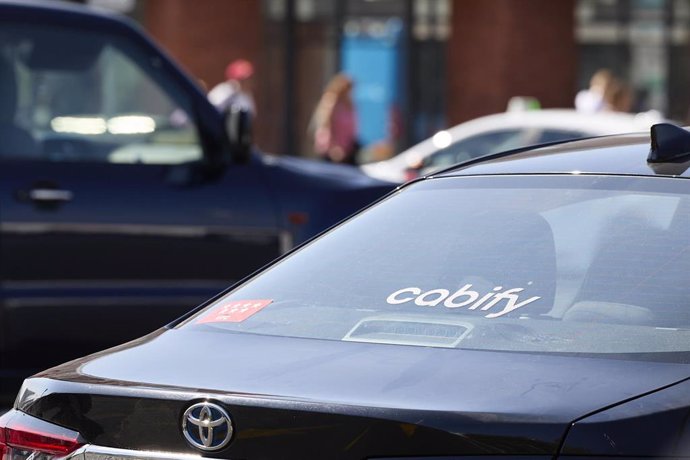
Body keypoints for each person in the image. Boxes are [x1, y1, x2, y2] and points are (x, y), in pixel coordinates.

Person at [311, 73, 359, 164]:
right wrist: (334, 146)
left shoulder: (349, 104)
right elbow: (326, 125)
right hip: (332, 150)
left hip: (347, 148)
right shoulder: (331, 101)